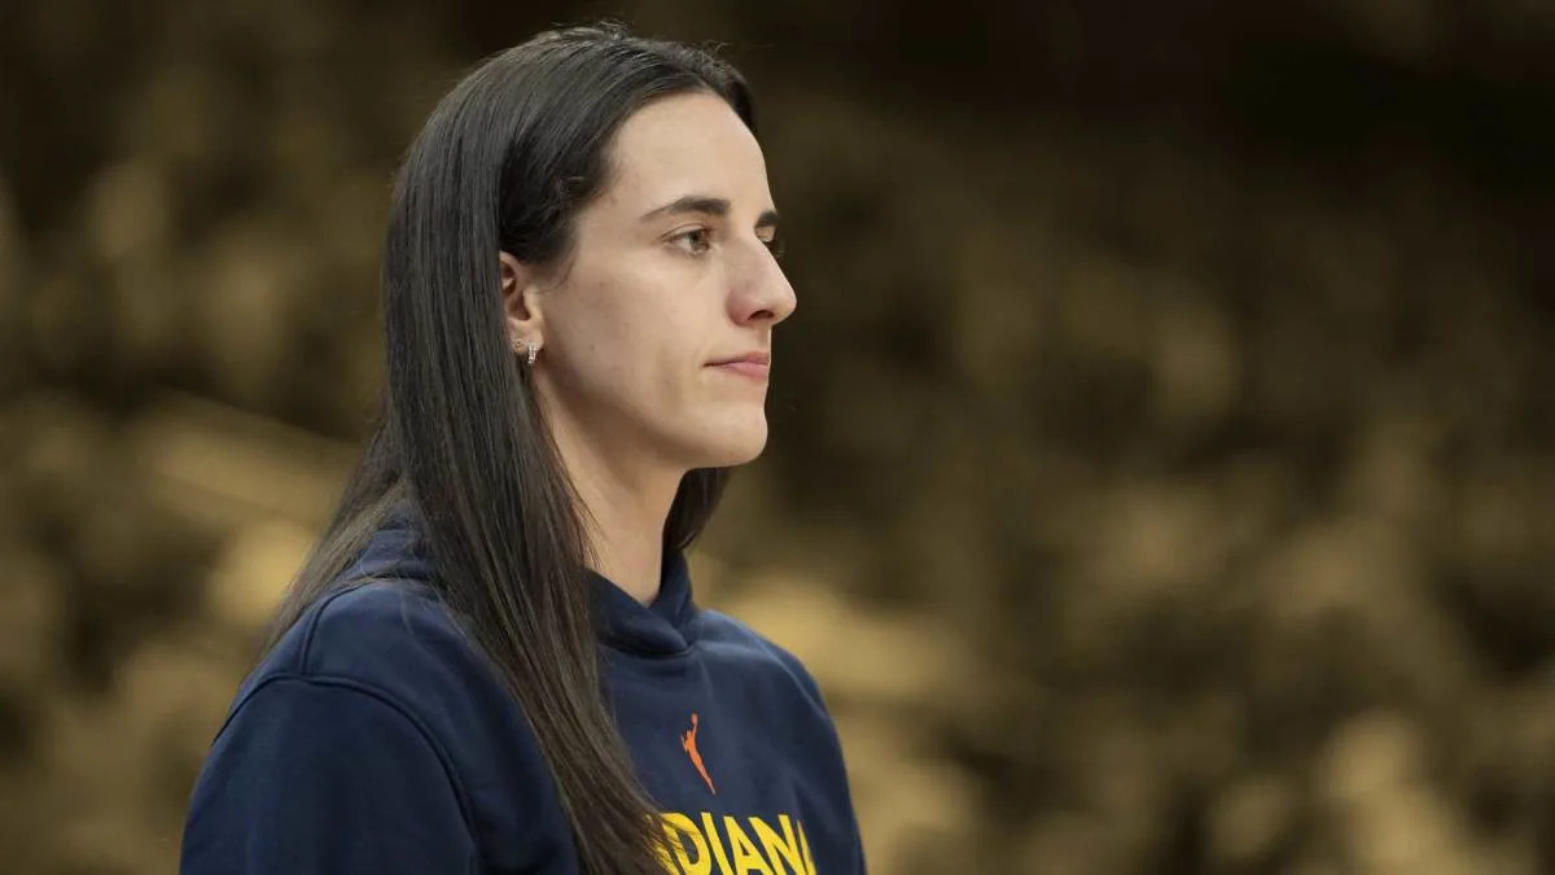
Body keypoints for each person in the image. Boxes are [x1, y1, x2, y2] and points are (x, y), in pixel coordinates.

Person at [179, 20, 867, 875]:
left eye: (764, 241)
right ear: (512, 299)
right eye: (693, 237)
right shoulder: (373, 689)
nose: (774, 293)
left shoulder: (773, 704)